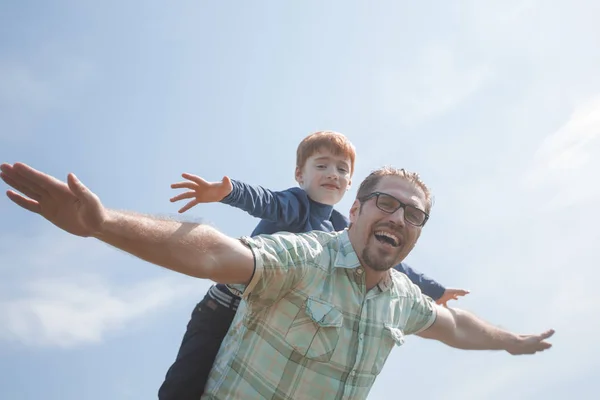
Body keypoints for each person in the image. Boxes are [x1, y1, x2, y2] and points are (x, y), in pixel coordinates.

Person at [0, 161, 554, 400]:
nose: (399, 219)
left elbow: (457, 327)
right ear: (355, 210)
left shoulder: (403, 300)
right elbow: (214, 251)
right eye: (386, 203)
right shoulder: (306, 254)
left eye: (414, 215)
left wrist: (510, 341)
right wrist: (103, 224)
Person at [160, 131, 468, 398]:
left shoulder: (341, 229)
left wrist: (435, 290)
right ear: (300, 175)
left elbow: (392, 264)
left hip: (266, 318)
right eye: (321, 166)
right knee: (186, 384)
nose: (332, 173)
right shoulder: (296, 204)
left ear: (350, 185)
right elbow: (266, 200)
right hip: (227, 306)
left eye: (342, 169)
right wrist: (228, 192)